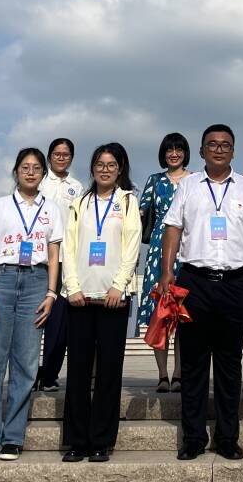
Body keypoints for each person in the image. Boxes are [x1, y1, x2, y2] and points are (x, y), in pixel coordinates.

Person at [159, 124, 243, 461]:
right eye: (212, 144)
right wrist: (166, 271)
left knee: (229, 365)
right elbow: (173, 228)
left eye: (225, 145)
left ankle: (227, 437)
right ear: (202, 150)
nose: (219, 149)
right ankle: (193, 437)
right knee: (193, 364)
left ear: (233, 151)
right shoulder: (188, 185)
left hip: (235, 283)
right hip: (195, 282)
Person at [0, 148, 62, 462]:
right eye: (25, 167)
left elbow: (54, 255)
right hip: (1, 279)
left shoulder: (51, 209)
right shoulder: (0, 206)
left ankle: (12, 436)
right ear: (16, 171)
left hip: (36, 282)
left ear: (43, 174)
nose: (31, 172)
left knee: (26, 363)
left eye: (37, 168)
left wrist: (51, 294)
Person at [60, 144, 141, 463]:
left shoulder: (128, 201)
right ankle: (76, 440)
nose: (105, 169)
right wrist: (72, 286)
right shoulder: (80, 201)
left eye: (111, 164)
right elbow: (68, 247)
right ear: (92, 168)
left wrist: (119, 286)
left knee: (109, 371)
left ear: (120, 169)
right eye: (100, 164)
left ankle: (101, 441)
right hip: (80, 297)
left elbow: (131, 246)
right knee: (78, 371)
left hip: (113, 298)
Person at [137, 132, 191, 392]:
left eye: (178, 149)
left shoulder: (194, 180)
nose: (174, 153)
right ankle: (162, 375)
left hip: (187, 246)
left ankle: (179, 374)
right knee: (159, 314)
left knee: (182, 314)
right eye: (170, 149)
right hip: (159, 248)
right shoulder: (154, 180)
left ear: (185, 153)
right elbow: (140, 212)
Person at [35, 137, 83, 392]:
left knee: (59, 323)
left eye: (66, 154)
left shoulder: (77, 186)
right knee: (34, 319)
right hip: (38, 259)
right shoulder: (39, 181)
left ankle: (50, 374)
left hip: (64, 259)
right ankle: (29, 372)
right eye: (57, 153)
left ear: (71, 158)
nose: (61, 158)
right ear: (49, 156)